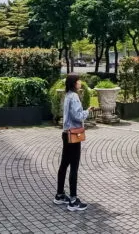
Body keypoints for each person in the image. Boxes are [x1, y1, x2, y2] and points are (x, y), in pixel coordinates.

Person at [54, 73, 90, 211]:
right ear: (74, 83)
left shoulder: (67, 95)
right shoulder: (74, 96)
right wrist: (87, 112)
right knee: (74, 166)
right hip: (73, 135)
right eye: (79, 80)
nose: (80, 82)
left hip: (66, 134)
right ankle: (73, 201)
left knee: (64, 164)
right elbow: (77, 116)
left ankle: (60, 195)